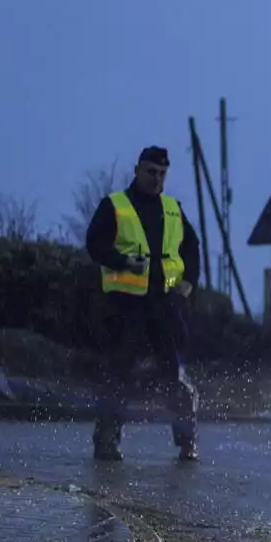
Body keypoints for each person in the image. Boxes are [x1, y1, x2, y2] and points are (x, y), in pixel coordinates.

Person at [85, 146, 201, 462]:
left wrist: (189, 282)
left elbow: (192, 247)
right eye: (151, 171)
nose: (156, 178)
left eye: (162, 173)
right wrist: (122, 262)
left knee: (174, 375)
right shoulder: (115, 206)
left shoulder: (173, 209)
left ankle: (187, 442)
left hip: (165, 304)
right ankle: (107, 441)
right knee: (118, 373)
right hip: (125, 305)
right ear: (137, 170)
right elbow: (94, 244)